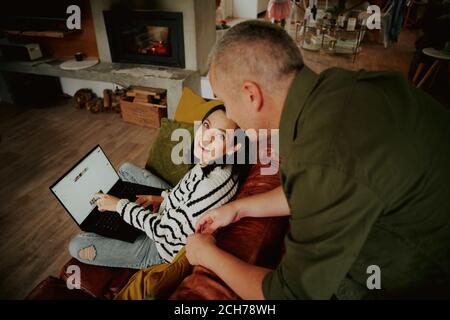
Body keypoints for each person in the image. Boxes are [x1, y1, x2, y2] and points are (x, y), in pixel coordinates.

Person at [186, 20, 450, 299]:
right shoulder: (338, 85)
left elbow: (289, 295)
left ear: (252, 95)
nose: (231, 115)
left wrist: (207, 255)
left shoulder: (321, 155)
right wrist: (239, 209)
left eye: (225, 102)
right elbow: (323, 188)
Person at [69, 105, 251, 268]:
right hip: (170, 212)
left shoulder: (210, 187)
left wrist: (119, 206)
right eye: (206, 126)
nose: (205, 139)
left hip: (160, 247)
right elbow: (187, 190)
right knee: (126, 169)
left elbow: (165, 234)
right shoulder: (219, 161)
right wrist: (161, 197)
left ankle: (115, 216)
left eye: (219, 136)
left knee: (76, 245)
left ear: (234, 147)